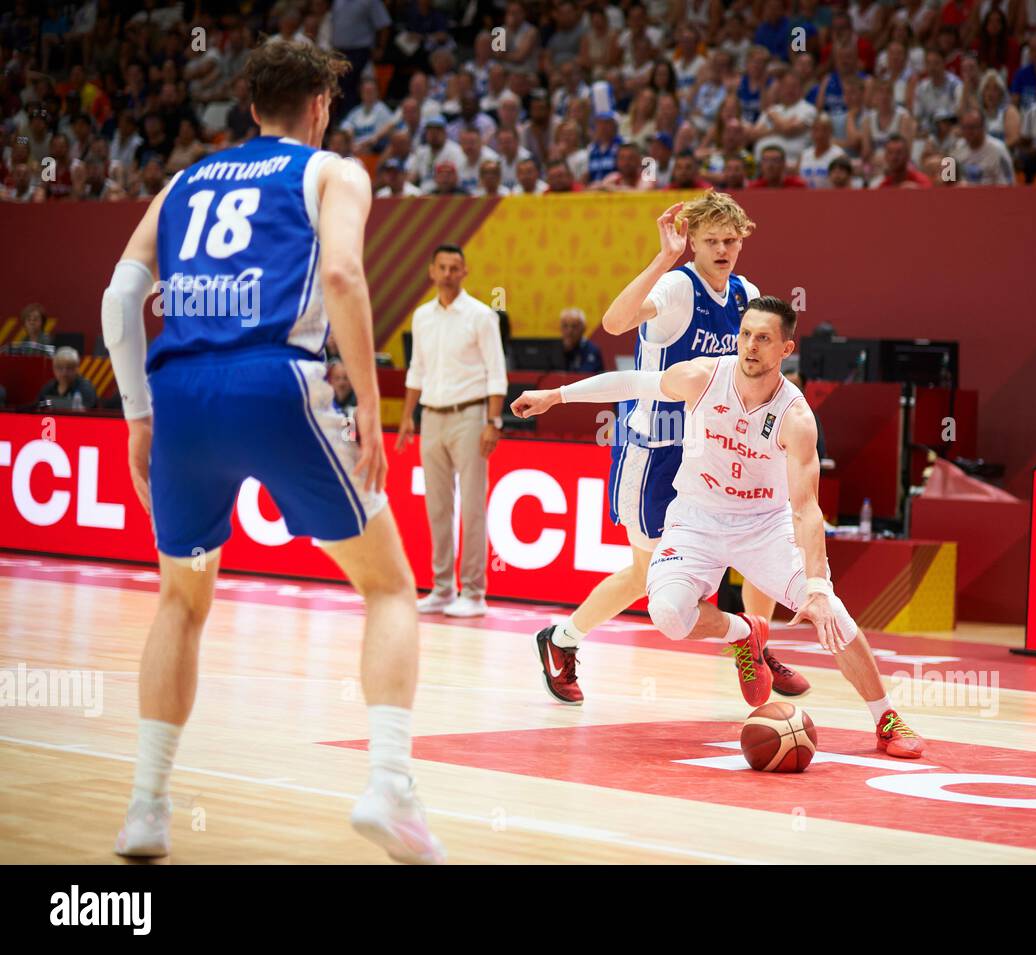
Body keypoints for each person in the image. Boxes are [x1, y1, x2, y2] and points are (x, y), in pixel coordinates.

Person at [100, 40, 442, 864]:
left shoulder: (182, 183)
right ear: (322, 107)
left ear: (250, 107)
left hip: (182, 391)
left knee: (181, 601)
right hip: (277, 382)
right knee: (391, 584)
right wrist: (367, 399)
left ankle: (147, 806)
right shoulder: (332, 173)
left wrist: (138, 416)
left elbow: (120, 298)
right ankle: (388, 783)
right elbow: (344, 281)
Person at [512, 298, 924, 759]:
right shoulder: (704, 376)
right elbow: (632, 382)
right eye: (746, 334)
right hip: (695, 519)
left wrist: (817, 585)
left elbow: (807, 510)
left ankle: (886, 718)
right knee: (666, 614)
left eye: (764, 338)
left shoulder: (796, 417)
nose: (750, 345)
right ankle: (742, 632)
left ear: (785, 348)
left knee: (835, 617)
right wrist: (556, 395)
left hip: (763, 527)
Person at [527, 195, 808, 706]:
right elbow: (614, 323)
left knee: (749, 551)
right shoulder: (678, 287)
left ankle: (756, 644)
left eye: (731, 239)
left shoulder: (747, 293)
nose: (722, 249)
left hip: (713, 446)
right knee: (647, 573)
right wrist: (664, 258)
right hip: (656, 449)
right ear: (693, 243)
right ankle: (563, 639)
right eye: (711, 240)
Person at [396, 244, 507, 619]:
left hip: (470, 416)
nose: (447, 273)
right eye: (441, 267)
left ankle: (474, 592)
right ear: (431, 271)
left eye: (454, 267)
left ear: (464, 272)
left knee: (472, 506)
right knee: (437, 507)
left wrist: (493, 422)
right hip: (431, 415)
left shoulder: (481, 316)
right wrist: (407, 417)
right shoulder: (422, 316)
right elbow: (416, 370)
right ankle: (442, 588)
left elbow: (496, 373)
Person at [560, 308, 604, 373]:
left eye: (574, 326)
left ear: (584, 328)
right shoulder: (556, 349)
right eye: (565, 326)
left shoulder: (592, 350)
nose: (569, 331)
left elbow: (586, 375)